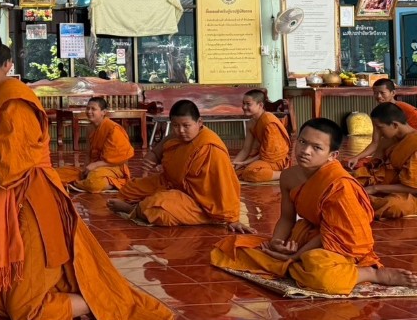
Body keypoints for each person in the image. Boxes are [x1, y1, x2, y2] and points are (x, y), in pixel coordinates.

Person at [0, 24, 174, 320]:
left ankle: (97, 300)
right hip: (9, 200)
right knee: (1, 298)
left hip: (32, 205)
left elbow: (1, 171)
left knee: (24, 311)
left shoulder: (15, 103)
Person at [211, 118, 417, 294]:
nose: (305, 151)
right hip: (307, 235)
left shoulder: (339, 184)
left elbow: (335, 232)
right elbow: (287, 218)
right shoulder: (288, 176)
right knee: (231, 248)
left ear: (332, 155)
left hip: (341, 246)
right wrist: (276, 242)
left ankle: (371, 274)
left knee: (320, 272)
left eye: (317, 148)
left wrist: (295, 255)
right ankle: (294, 265)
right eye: (302, 142)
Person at [107, 100, 250, 231]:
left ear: (199, 122)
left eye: (186, 126)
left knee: (158, 207)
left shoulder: (210, 148)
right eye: (175, 125)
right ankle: (145, 205)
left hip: (198, 201)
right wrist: (152, 158)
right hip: (170, 183)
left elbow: (224, 184)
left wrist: (232, 219)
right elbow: (158, 153)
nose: (180, 130)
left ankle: (133, 209)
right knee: (129, 190)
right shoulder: (176, 137)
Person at [56, 97, 134, 193]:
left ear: (103, 112)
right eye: (88, 108)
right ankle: (81, 183)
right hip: (94, 167)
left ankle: (116, 182)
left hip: (114, 168)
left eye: (93, 109)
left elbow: (120, 159)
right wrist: (85, 169)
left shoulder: (113, 129)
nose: (89, 111)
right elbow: (88, 153)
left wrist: (95, 165)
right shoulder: (90, 128)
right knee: (57, 173)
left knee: (94, 180)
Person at [354, 102, 417, 220]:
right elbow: (375, 164)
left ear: (394, 125)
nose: (377, 132)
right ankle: (358, 200)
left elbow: (413, 188)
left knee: (394, 205)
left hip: (411, 193)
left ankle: (358, 202)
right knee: (353, 181)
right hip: (391, 183)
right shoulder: (391, 138)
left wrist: (375, 189)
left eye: (379, 127)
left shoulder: (414, 144)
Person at [345, 79, 417, 168]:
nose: (378, 96)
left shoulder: (407, 109)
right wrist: (357, 157)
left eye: (382, 93)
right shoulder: (378, 113)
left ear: (393, 93)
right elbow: (375, 142)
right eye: (375, 93)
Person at [231, 90, 291, 182]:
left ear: (260, 105)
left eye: (248, 104)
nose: (244, 107)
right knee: (233, 171)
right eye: (243, 103)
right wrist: (234, 164)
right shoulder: (251, 123)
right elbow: (246, 150)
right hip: (261, 158)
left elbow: (268, 153)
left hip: (275, 160)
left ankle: (284, 174)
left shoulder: (268, 121)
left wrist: (245, 162)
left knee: (252, 172)